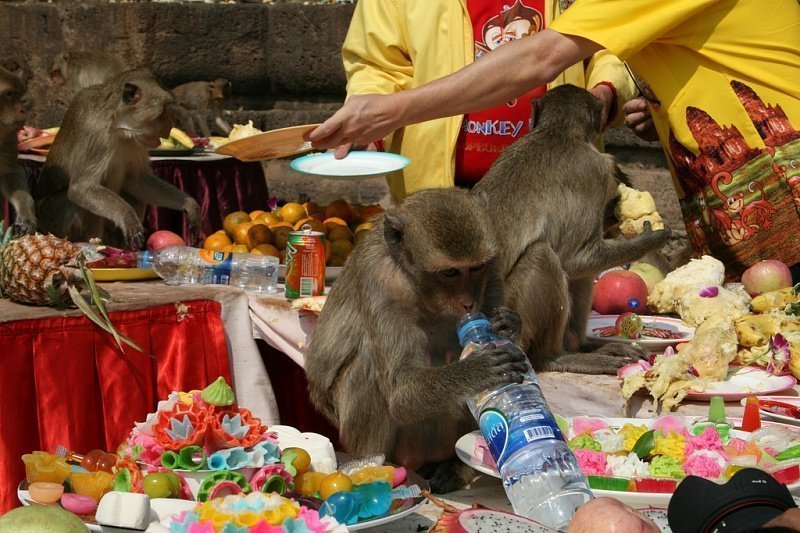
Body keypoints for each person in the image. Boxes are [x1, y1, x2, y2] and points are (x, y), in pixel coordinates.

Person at [310, 0, 800, 280]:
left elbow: (542, 59)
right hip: (441, 196)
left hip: (784, 202)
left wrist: (391, 110)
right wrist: (668, 113)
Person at [336, 0, 637, 202]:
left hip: (557, 194)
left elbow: (612, 42)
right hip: (439, 196)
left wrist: (607, 89)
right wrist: (370, 119)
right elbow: (377, 64)